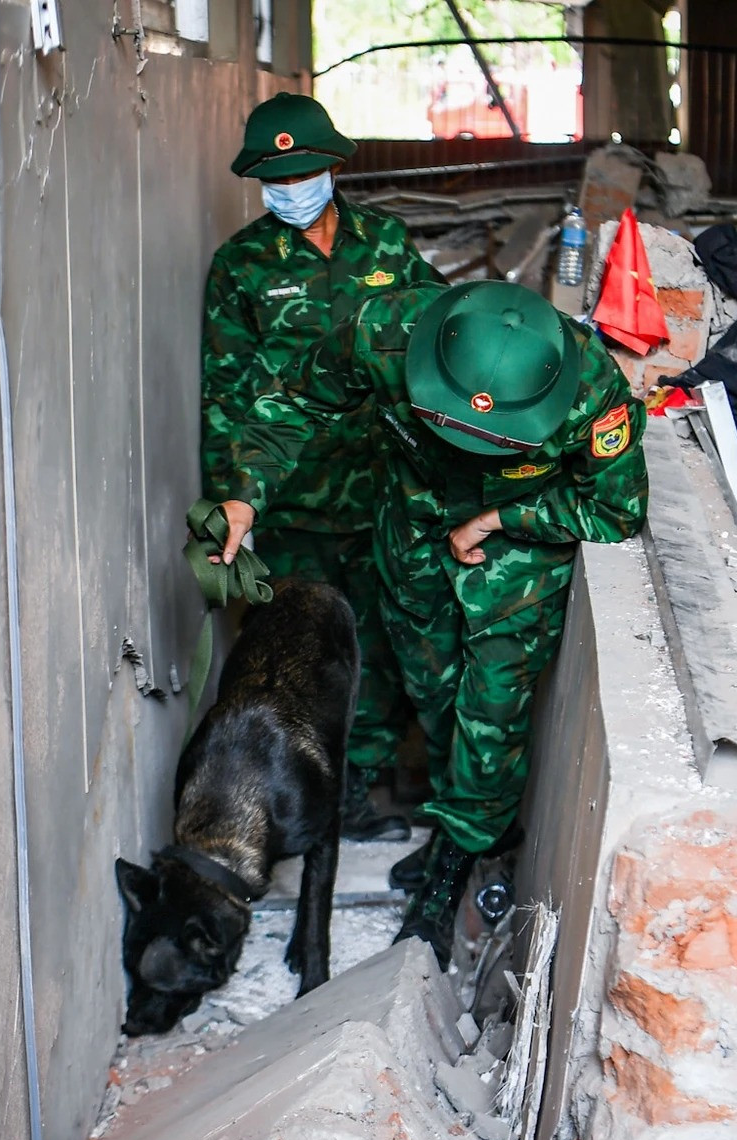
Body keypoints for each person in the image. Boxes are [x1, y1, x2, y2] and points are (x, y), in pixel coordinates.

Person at [211, 281, 649, 964]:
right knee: (433, 690)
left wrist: (503, 516)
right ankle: (460, 824)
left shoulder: (592, 393)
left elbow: (616, 510)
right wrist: (245, 494)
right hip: (413, 538)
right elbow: (293, 399)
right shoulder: (384, 332)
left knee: (491, 714)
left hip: (515, 564)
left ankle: (452, 869)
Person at [202, 92, 443, 841]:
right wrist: (234, 504)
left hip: (384, 493)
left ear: (333, 167)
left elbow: (437, 334)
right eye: (275, 179)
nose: (289, 189)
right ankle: (301, 799)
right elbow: (226, 398)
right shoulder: (241, 267)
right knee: (301, 662)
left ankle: (355, 793)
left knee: (380, 650)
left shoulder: (386, 244)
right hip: (293, 504)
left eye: (302, 174)